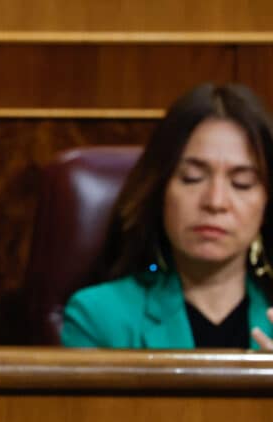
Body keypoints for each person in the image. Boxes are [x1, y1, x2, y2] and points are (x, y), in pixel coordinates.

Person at [62, 83, 273, 349]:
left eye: (242, 182)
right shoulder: (99, 317)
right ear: (159, 188)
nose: (215, 202)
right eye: (192, 178)